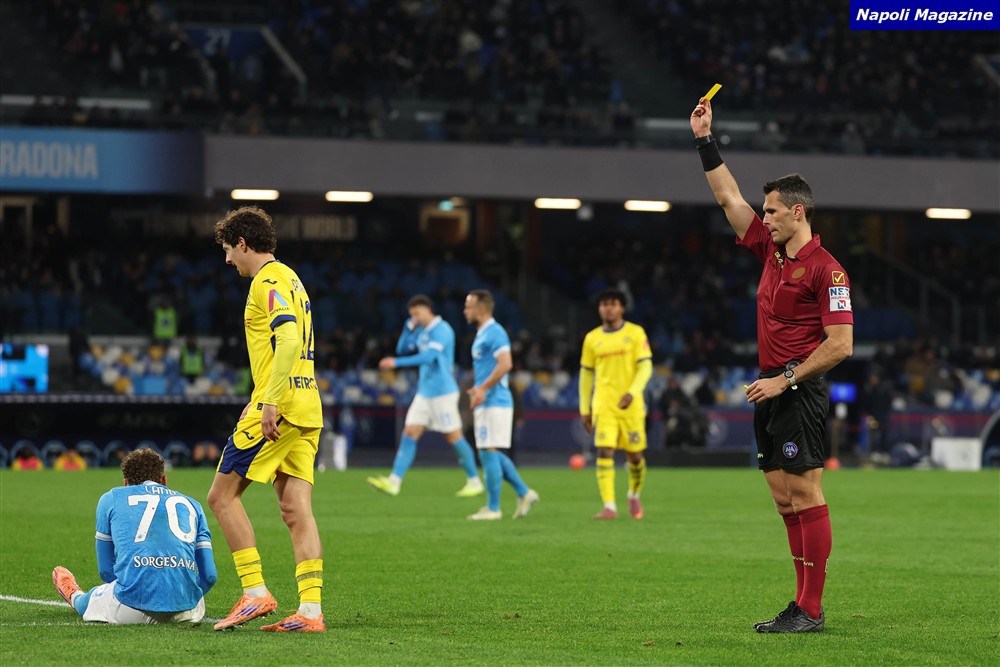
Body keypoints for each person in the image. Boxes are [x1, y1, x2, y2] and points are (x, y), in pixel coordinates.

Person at [691, 96, 854, 633]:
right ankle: (800, 603)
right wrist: (704, 139)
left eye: (772, 212)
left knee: (806, 493)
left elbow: (841, 345)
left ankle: (811, 608)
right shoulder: (771, 251)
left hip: (797, 389)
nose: (763, 219)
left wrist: (785, 379)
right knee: (785, 501)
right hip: (770, 386)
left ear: (797, 212)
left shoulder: (828, 271)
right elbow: (727, 196)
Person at [206, 206, 326, 633]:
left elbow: (288, 338)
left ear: (243, 243)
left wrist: (269, 401)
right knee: (295, 508)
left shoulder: (266, 281)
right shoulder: (292, 278)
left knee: (221, 498)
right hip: (307, 404)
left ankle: (255, 592)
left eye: (228, 250)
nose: (227, 260)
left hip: (280, 407)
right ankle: (310, 611)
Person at [51, 448, 216, 624]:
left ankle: (74, 595)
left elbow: (106, 571)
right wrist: (183, 597)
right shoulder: (194, 505)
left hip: (130, 608)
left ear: (125, 483)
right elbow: (209, 576)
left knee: (93, 597)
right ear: (164, 480)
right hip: (188, 611)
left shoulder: (111, 498)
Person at [366, 295, 484, 498]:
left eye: (417, 313)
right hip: (424, 392)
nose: (415, 318)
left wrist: (396, 363)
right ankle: (394, 482)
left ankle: (474, 481)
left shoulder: (442, 330)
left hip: (442, 393)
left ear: (427, 310)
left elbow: (429, 357)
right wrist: (407, 328)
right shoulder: (421, 331)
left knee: (453, 436)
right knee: (410, 432)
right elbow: (402, 349)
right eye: (412, 315)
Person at [463, 290, 539, 520]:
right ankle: (524, 492)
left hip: (495, 401)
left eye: (468, 306)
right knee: (490, 452)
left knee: (487, 452)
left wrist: (483, 388)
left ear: (481, 309)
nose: (465, 311)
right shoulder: (483, 333)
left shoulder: (495, 332)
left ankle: (493, 508)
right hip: (488, 400)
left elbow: (506, 364)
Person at [578, 287, 653, 520]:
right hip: (604, 404)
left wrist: (632, 392)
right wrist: (584, 408)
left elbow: (646, 366)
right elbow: (586, 375)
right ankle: (609, 506)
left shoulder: (635, 333)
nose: (608, 308)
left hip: (631, 405)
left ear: (622, 308)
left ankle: (634, 494)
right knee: (604, 450)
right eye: (604, 304)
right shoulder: (592, 338)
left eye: (613, 304)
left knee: (635, 457)